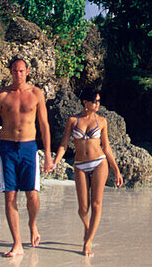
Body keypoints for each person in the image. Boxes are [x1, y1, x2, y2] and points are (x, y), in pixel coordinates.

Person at [0, 56, 53, 258]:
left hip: (29, 147)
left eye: (21, 71)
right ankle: (17, 243)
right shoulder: (1, 96)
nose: (18, 74)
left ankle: (32, 224)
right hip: (7, 148)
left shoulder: (36, 94)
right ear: (10, 72)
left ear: (27, 71)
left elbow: (44, 126)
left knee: (32, 194)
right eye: (14, 71)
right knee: (10, 196)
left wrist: (47, 155)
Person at [52, 86, 123, 256]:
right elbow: (64, 144)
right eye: (94, 101)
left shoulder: (102, 121)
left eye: (98, 101)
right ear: (85, 102)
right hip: (80, 165)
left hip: (99, 163)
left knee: (96, 204)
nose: (97, 104)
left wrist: (116, 170)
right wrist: (55, 162)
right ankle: (88, 228)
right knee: (83, 209)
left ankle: (88, 242)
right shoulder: (72, 120)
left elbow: (106, 147)